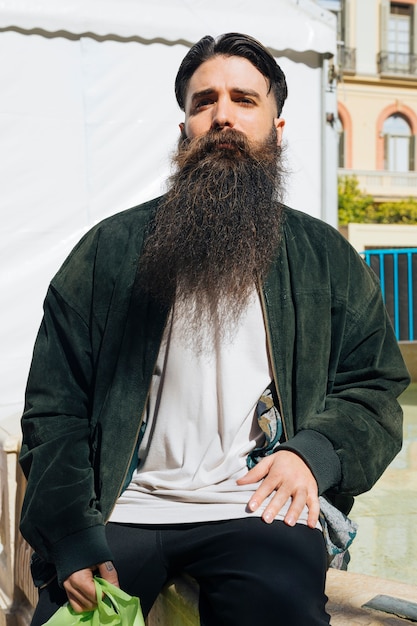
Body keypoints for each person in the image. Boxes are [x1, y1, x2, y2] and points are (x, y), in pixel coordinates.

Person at [19, 33, 409, 626]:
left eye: (244, 100)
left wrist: (314, 456)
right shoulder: (108, 252)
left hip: (259, 511)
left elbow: (375, 388)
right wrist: (70, 532)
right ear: (184, 130)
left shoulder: (325, 257)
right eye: (204, 102)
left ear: (278, 130)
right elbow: (55, 408)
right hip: (123, 510)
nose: (222, 115)